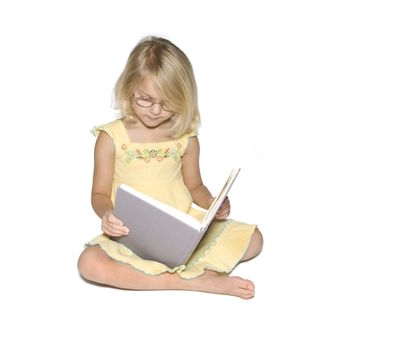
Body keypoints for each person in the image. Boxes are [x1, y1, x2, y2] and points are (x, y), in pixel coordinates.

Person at [77, 36, 263, 299]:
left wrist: (213, 204)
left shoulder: (185, 137)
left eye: (166, 103)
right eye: (145, 99)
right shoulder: (111, 138)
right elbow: (99, 194)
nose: (155, 110)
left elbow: (195, 186)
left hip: (182, 234)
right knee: (89, 263)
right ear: (129, 89)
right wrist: (107, 214)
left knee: (254, 238)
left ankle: (174, 270)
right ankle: (195, 281)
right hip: (132, 237)